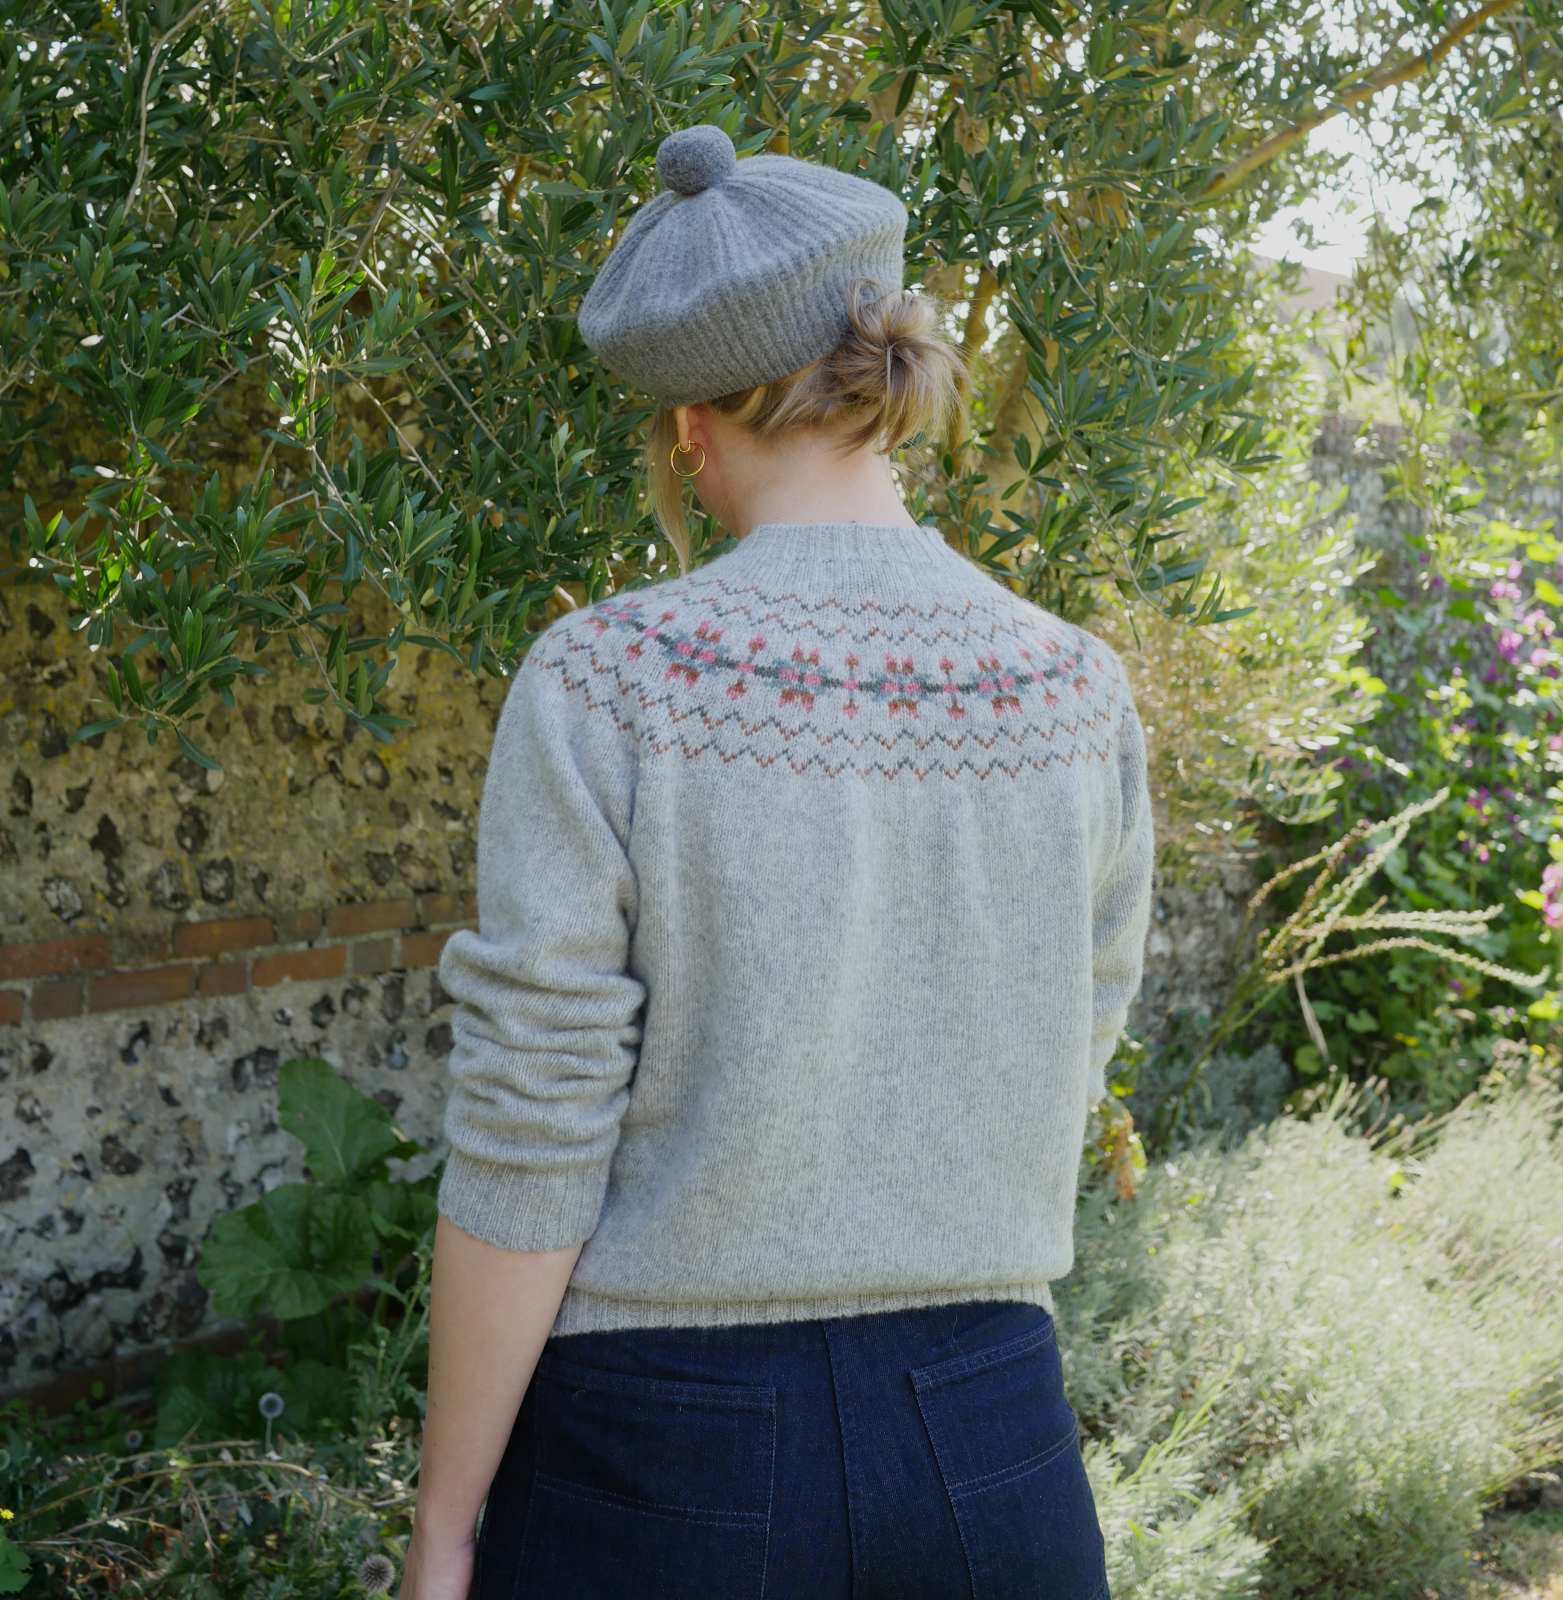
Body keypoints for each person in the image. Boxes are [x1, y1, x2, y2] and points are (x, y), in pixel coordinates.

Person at [398, 122, 1154, 1600]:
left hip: (665, 1461)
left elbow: (534, 1127)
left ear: (688, 426)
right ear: (882, 386)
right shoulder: (1073, 686)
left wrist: (442, 1526)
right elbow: (1078, 1039)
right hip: (997, 1445)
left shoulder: (610, 678)